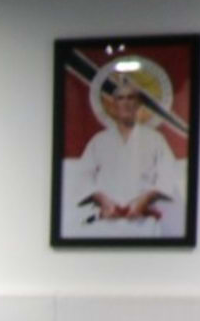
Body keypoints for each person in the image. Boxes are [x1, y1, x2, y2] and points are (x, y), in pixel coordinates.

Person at [72, 56, 186, 225]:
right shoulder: (99, 141)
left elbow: (167, 175)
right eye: (120, 98)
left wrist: (145, 199)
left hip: (143, 219)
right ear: (113, 105)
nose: (125, 103)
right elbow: (83, 176)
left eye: (131, 98)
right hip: (107, 217)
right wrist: (102, 199)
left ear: (139, 105)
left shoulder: (155, 139)